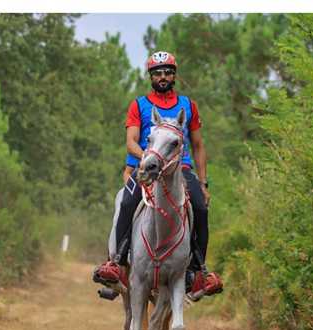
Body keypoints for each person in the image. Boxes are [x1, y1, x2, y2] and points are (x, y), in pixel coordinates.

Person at [93, 51, 223, 297]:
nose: (163, 77)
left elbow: (198, 146)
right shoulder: (139, 105)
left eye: (167, 72)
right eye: (157, 73)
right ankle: (117, 263)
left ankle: (198, 273)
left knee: (200, 208)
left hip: (180, 169)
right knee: (127, 201)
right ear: (151, 76)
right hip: (146, 167)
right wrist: (150, 160)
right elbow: (131, 141)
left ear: (174, 75)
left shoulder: (188, 106)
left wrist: (203, 182)